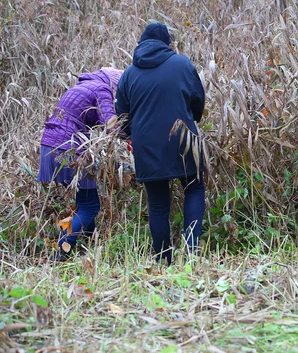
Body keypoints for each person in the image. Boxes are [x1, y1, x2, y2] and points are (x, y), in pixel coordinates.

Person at [115, 23, 205, 264]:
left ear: (141, 43)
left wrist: (132, 136)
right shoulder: (183, 64)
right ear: (167, 43)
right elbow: (198, 102)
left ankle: (163, 259)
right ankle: (192, 252)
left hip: (146, 146)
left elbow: (122, 116)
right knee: (194, 189)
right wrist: (191, 118)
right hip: (184, 137)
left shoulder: (129, 74)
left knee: (157, 205)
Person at [37, 67, 124, 260]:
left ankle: (90, 244)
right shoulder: (102, 89)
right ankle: (60, 253)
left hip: (49, 144)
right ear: (113, 84)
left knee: (85, 203)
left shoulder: (82, 86)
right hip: (68, 147)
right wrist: (131, 135)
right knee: (90, 206)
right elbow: (111, 126)